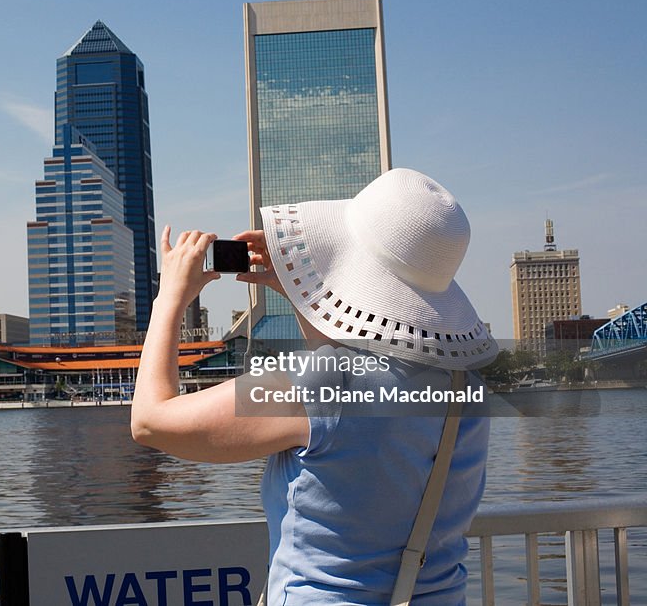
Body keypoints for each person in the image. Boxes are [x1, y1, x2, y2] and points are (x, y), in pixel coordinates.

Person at [131, 168, 498, 605]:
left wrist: (169, 296)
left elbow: (151, 422)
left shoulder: (329, 380)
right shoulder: (465, 385)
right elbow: (360, 386)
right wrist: (306, 292)